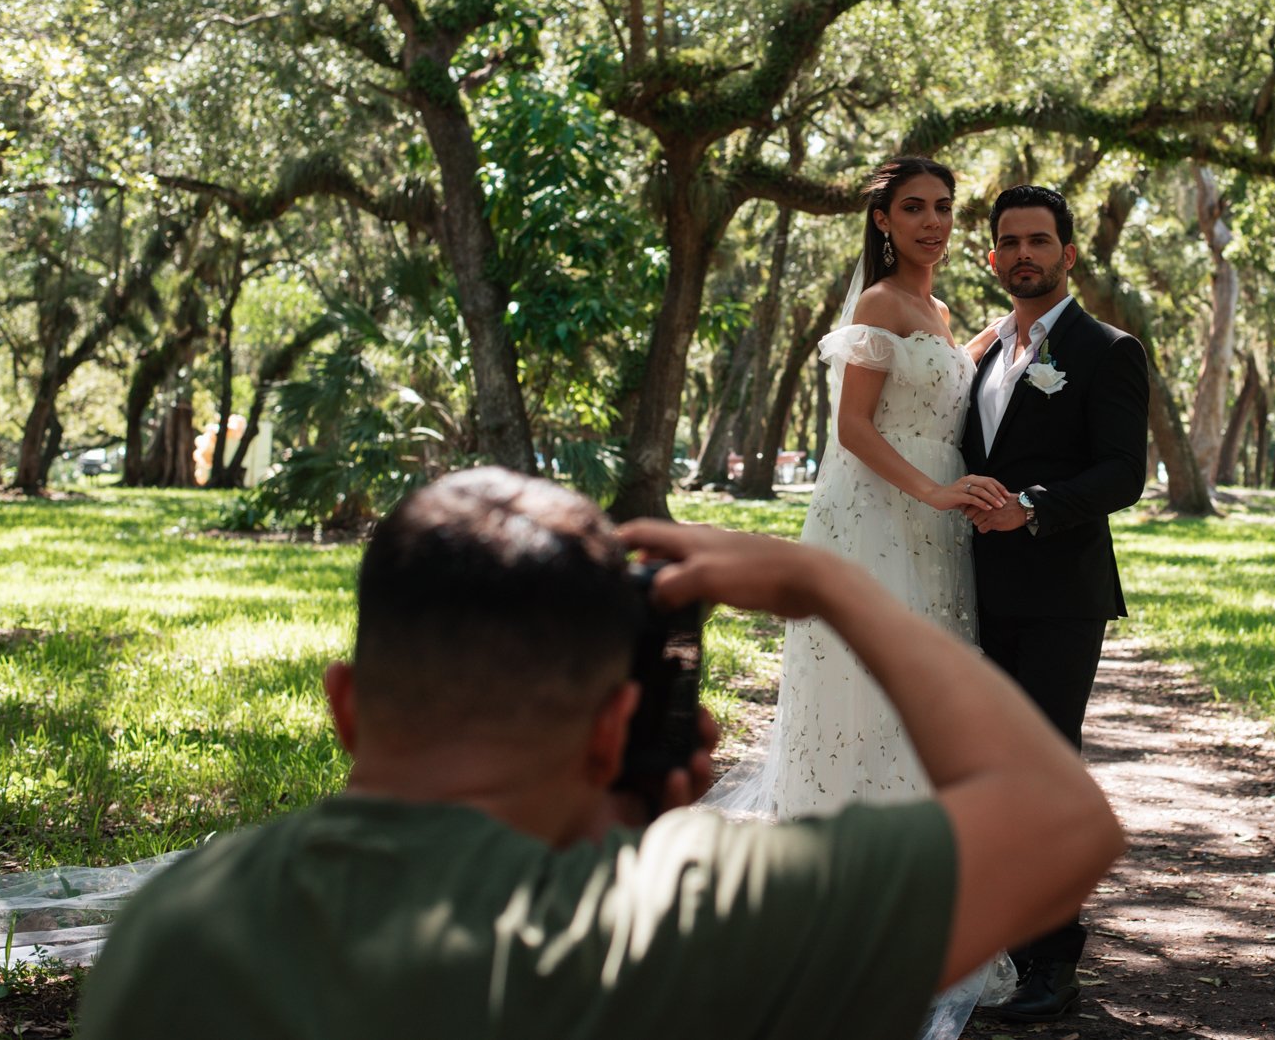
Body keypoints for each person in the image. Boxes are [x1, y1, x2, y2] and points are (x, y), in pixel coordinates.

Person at [78, 468, 1125, 1039]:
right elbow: (1061, 822)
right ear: (613, 729)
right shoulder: (689, 917)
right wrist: (825, 582)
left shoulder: (174, 932)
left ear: (345, 708)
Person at [709, 157, 1013, 826]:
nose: (933, 221)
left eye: (942, 206)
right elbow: (852, 427)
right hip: (881, 511)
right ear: (883, 220)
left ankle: (920, 835)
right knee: (871, 682)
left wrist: (987, 342)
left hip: (937, 517)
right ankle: (851, 843)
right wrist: (933, 491)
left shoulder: (936, 308)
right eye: (914, 208)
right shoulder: (879, 302)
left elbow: (927, 386)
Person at [959, 184, 1150, 1020]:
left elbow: (1122, 474)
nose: (1024, 254)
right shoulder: (981, 353)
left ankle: (1053, 965)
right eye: (1010, 242)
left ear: (1069, 254)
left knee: (1041, 763)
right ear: (993, 256)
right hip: (967, 593)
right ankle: (997, 946)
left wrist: (1031, 506)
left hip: (1057, 595)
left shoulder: (1108, 349)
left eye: (1039, 240)